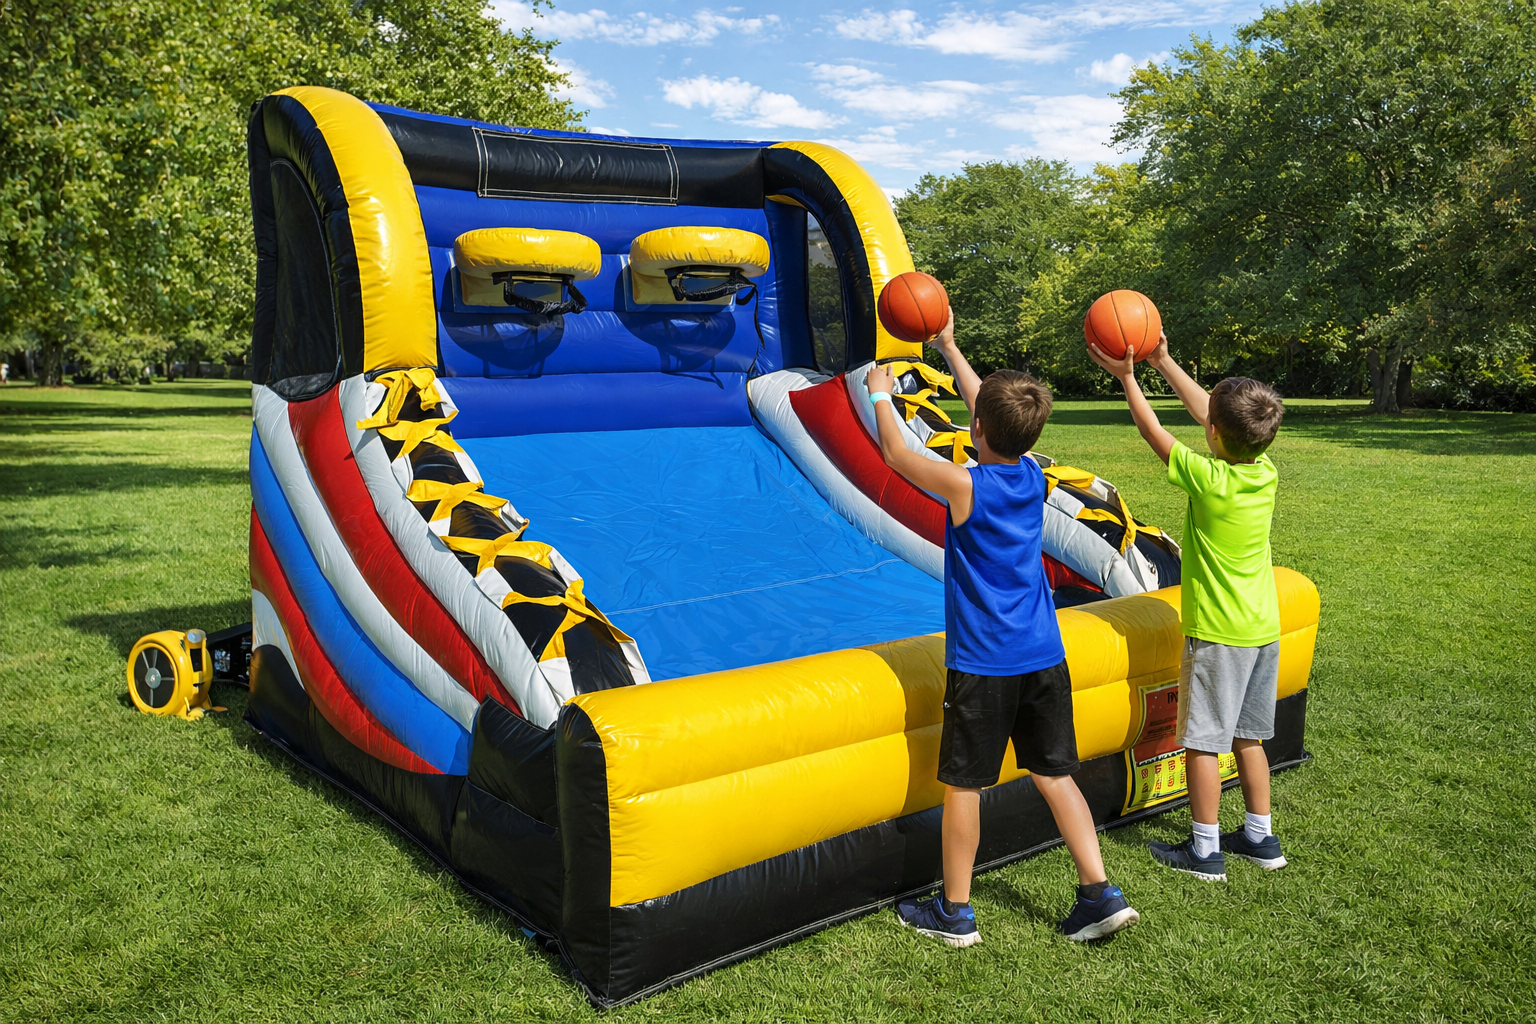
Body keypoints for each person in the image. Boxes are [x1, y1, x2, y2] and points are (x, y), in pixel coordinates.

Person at [870, 312, 1140, 947]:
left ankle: (955, 912)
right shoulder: (1033, 475)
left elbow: (895, 452)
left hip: (985, 664)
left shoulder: (964, 486)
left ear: (977, 427)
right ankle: (1099, 892)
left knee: (963, 783)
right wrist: (949, 346)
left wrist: (882, 390)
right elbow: (987, 410)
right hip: (1044, 653)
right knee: (1054, 774)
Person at [1087, 331, 1288, 882]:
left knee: (1201, 742)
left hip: (1218, 634)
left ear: (1215, 433)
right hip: (1262, 630)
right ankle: (1260, 837)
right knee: (1250, 737)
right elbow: (1213, 416)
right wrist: (1163, 361)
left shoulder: (1209, 479)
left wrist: (1130, 377)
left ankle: (1205, 850)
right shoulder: (1263, 473)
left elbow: (1154, 432)